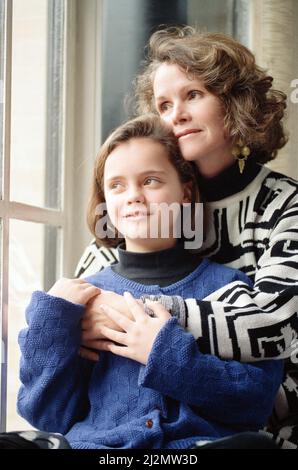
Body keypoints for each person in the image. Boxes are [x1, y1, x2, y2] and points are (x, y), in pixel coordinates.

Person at [76, 26, 298, 448]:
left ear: (236, 102)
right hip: (146, 426)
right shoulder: (146, 206)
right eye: (163, 104)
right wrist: (76, 319)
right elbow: (87, 297)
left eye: (193, 95)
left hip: (266, 424)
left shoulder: (285, 205)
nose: (175, 114)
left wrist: (129, 316)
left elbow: (274, 326)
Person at [17, 115, 282, 450]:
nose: (133, 196)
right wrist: (51, 322)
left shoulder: (230, 287)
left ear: (185, 193)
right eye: (116, 185)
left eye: (151, 181)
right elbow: (47, 415)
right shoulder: (84, 298)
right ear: (104, 200)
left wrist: (166, 355)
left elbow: (255, 404)